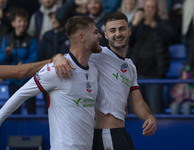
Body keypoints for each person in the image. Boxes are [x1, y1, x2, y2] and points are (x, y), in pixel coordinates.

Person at [53, 12, 157, 150]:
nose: (118, 34)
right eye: (112, 30)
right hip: (105, 134)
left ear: (129, 31)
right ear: (106, 34)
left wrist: (149, 117)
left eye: (122, 29)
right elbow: (71, 56)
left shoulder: (130, 66)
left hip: (121, 133)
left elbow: (136, 101)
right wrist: (57, 57)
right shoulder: (96, 55)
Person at [0, 15, 102, 150]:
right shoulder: (56, 69)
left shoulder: (94, 70)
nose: (100, 36)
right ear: (81, 37)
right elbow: (21, 94)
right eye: (95, 32)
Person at [127, 0, 172, 114]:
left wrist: (154, 25)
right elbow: (126, 41)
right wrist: (134, 23)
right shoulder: (137, 24)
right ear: (143, 9)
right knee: (136, 109)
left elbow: (171, 38)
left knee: (155, 109)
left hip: (155, 76)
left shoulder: (162, 24)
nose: (150, 10)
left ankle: (158, 132)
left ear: (157, 10)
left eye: (153, 8)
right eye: (148, 7)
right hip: (137, 75)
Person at [0, 8, 38, 114]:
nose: (23, 24)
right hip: (12, 82)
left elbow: (34, 58)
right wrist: (7, 55)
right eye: (19, 21)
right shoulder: (7, 39)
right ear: (13, 23)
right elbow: (1, 59)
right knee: (13, 112)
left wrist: (23, 67)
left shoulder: (31, 39)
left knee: (32, 111)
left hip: (28, 82)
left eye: (25, 21)